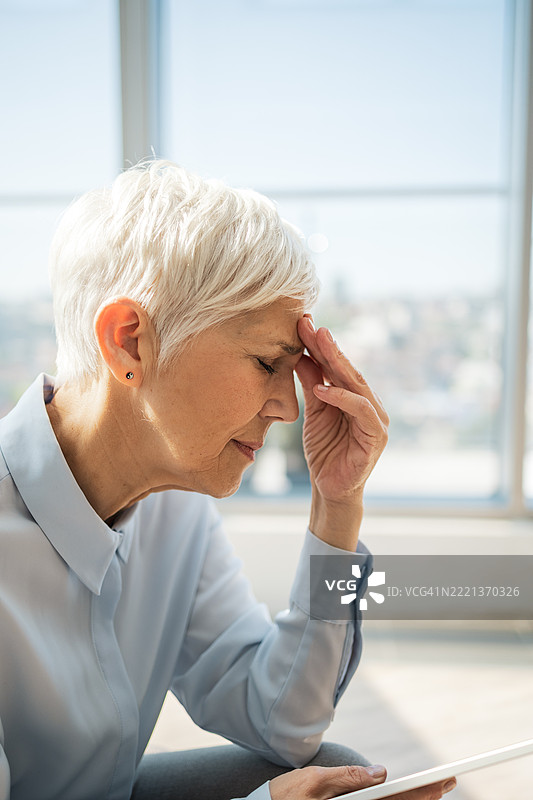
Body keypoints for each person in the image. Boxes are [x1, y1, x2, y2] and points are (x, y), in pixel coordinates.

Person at [0, 161, 455, 800]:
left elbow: (283, 720)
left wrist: (337, 505)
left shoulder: (172, 505)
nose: (289, 407)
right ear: (130, 342)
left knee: (337, 772)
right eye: (269, 362)